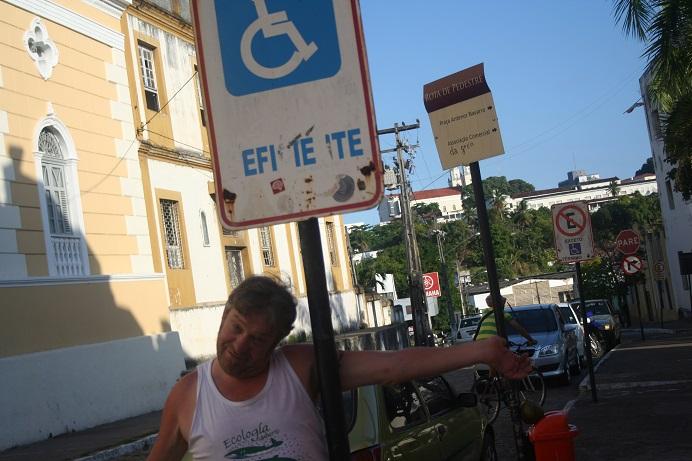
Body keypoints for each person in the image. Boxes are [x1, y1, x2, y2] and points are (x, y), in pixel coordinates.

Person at [147, 276, 533, 461]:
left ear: (279, 341)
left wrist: (482, 350)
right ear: (225, 315)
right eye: (236, 328)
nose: (240, 345)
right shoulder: (188, 396)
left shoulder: (300, 367)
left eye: (258, 339)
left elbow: (393, 366)